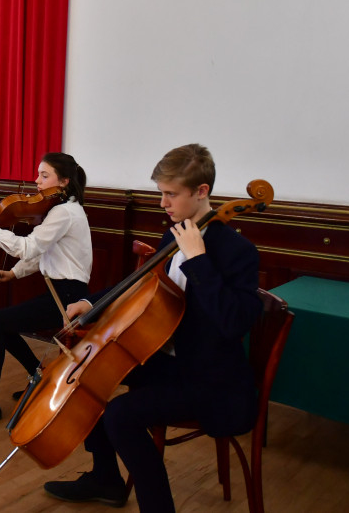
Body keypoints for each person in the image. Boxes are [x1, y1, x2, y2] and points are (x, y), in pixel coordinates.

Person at [42, 144, 262, 512]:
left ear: (201, 191)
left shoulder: (236, 251)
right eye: (161, 193)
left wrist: (198, 260)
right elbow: (140, 286)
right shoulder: (173, 234)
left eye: (170, 194)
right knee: (89, 384)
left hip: (211, 379)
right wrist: (91, 304)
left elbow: (233, 322)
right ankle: (106, 479)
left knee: (120, 415)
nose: (163, 203)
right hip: (168, 361)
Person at [0, 152, 93, 421]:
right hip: (62, 291)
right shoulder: (65, 209)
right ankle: (38, 379)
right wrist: (13, 274)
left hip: (68, 297)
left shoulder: (64, 212)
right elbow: (43, 254)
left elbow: (27, 247)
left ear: (63, 181)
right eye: (38, 174)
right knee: (0, 324)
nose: (36, 181)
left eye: (44, 175)